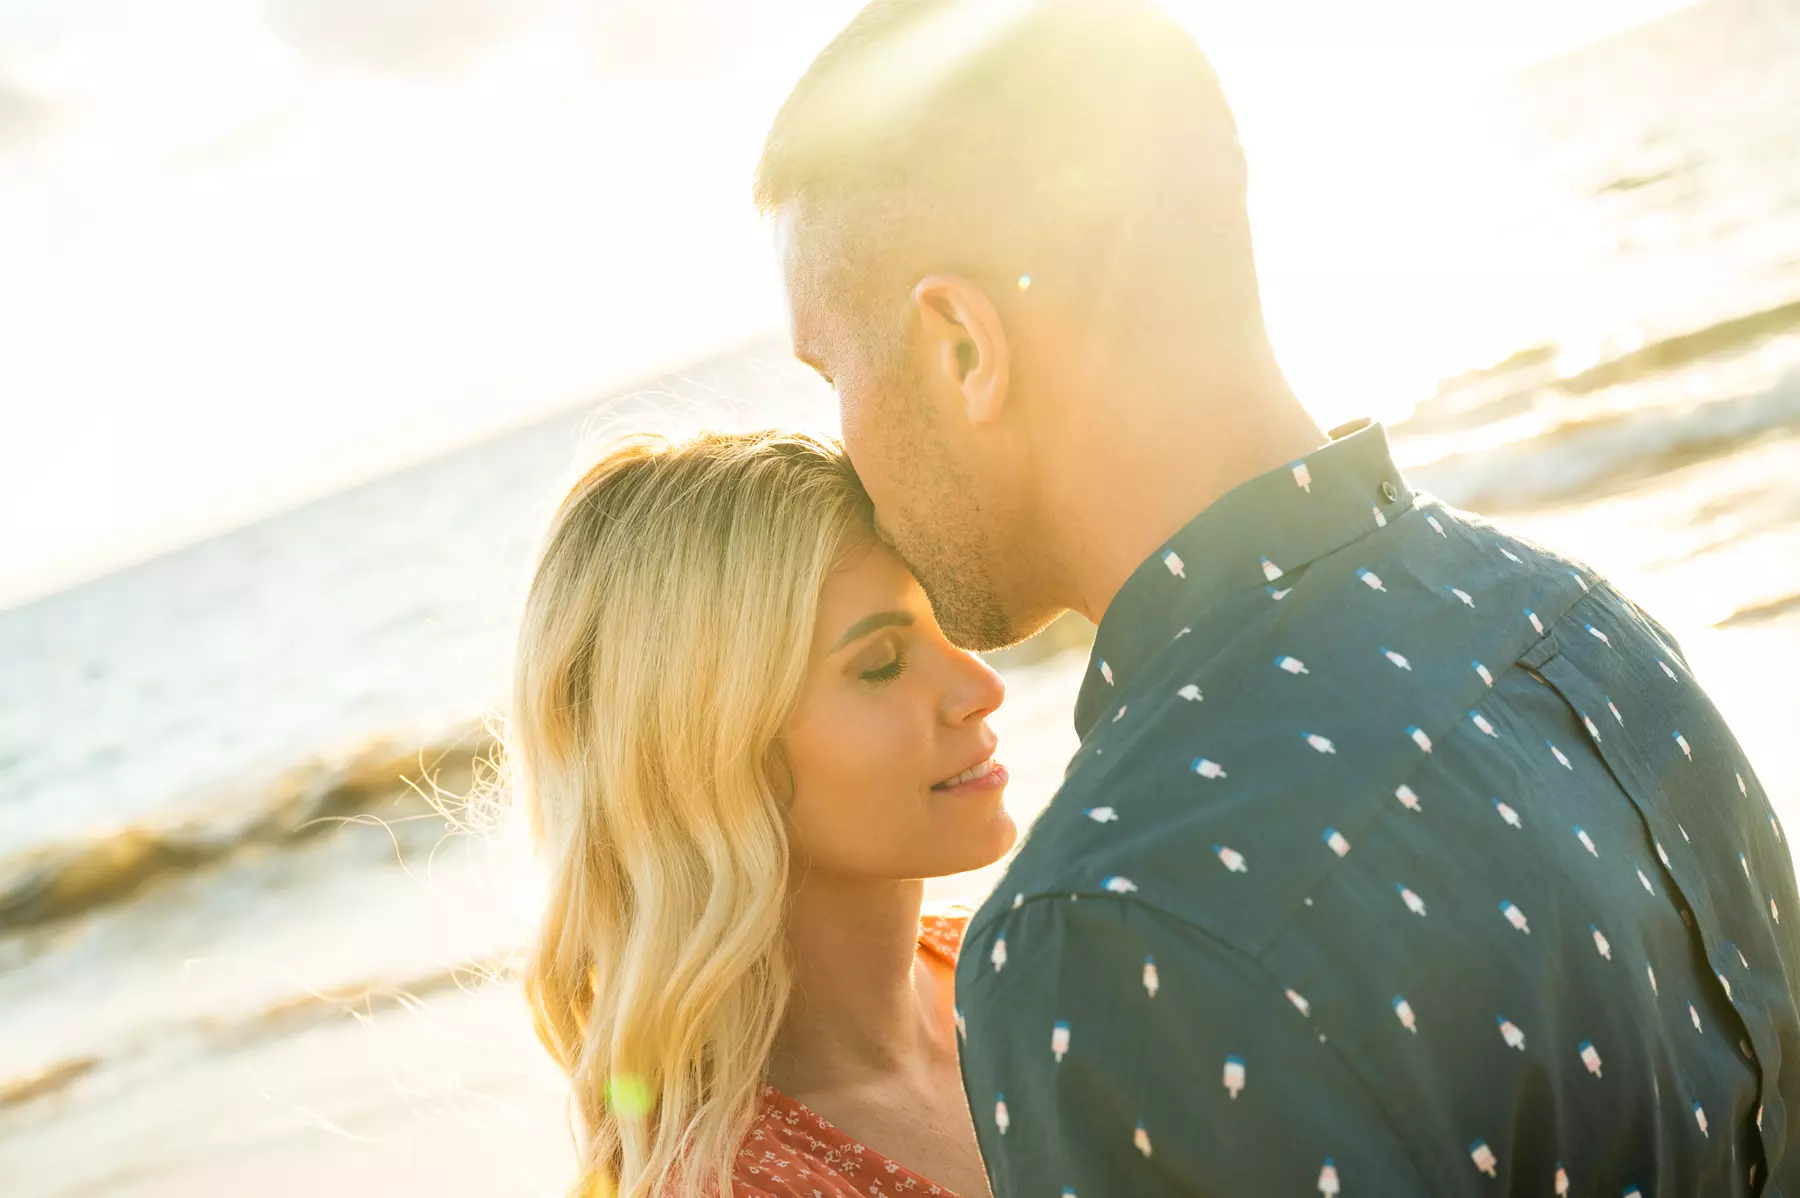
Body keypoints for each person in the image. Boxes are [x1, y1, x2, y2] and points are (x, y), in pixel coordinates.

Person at [757, 0, 1800, 1193]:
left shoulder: (1106, 928)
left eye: (830, 370)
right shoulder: (1587, 632)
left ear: (961, 349)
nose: (842, 452)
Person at [510, 429, 1009, 1197]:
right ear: (711, 749)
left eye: (948, 626)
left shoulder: (1016, 964)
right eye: (881, 663)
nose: (981, 685)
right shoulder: (740, 1182)